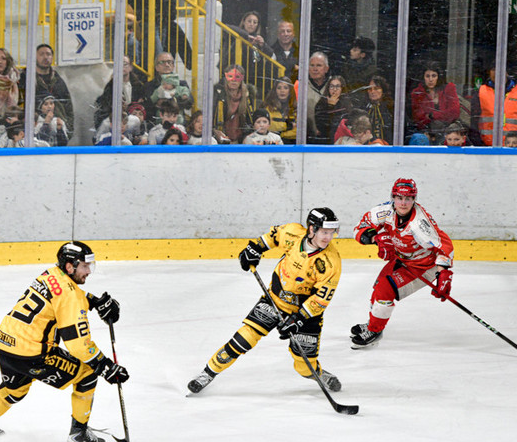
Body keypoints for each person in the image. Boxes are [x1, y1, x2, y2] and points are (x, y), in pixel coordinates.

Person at [0, 241, 129, 442]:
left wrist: (94, 301)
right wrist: (105, 366)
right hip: (33, 354)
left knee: (14, 389)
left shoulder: (51, 273)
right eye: (84, 266)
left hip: (5, 344)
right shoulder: (70, 296)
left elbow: (64, 295)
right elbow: (78, 345)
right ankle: (79, 434)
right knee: (88, 373)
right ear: (70, 266)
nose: (89, 271)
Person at [187, 208, 343, 394]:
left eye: (331, 233)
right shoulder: (292, 233)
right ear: (312, 229)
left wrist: (299, 319)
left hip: (305, 314)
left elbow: (321, 299)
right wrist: (254, 249)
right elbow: (272, 236)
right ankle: (208, 373)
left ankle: (318, 373)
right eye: (324, 232)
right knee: (244, 338)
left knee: (304, 366)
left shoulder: (331, 262)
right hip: (275, 300)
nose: (328, 238)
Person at [350, 178, 454, 349]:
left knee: (385, 289)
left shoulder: (421, 223)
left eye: (408, 198)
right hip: (401, 259)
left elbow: (444, 246)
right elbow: (359, 227)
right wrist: (375, 238)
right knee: (378, 288)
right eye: (399, 198)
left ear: (414, 199)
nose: (403, 203)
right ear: (393, 197)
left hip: (422, 267)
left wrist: (443, 273)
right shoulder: (384, 211)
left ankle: (375, 331)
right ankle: (372, 324)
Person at [19, 43, 75, 138]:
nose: (45, 57)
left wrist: (67, 129)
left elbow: (68, 106)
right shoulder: (26, 78)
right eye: (41, 54)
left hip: (57, 131)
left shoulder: (57, 80)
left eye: (48, 54)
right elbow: (19, 105)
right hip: (32, 132)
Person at [92, 55, 149, 133]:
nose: (121, 67)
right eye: (118, 64)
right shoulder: (109, 86)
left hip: (132, 120)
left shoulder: (139, 86)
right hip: (115, 119)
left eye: (125, 64)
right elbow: (101, 105)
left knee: (135, 120)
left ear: (130, 67)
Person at [409, 60, 459, 145]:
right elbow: (418, 118)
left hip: (448, 131)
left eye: (434, 76)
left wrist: (432, 115)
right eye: (427, 76)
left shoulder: (449, 88)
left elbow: (454, 113)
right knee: (420, 139)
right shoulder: (417, 93)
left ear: (439, 77)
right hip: (426, 131)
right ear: (423, 78)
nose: (431, 79)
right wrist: (441, 115)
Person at [468, 63, 517, 146]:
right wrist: (478, 143)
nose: (496, 72)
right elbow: (474, 120)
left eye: (500, 68)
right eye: (493, 69)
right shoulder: (481, 92)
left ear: (507, 72)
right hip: (487, 146)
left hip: (513, 148)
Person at [212, 64, 258, 144]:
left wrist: (247, 137)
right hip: (220, 138)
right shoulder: (218, 94)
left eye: (237, 77)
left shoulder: (247, 95)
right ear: (226, 77)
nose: (234, 80)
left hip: (241, 139)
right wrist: (216, 132)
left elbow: (250, 121)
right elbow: (212, 117)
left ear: (242, 79)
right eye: (230, 76)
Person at [313, 75, 351, 144]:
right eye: (332, 86)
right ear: (328, 88)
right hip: (326, 140)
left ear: (342, 88)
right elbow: (321, 126)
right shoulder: (321, 103)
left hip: (343, 139)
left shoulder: (347, 104)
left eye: (337, 86)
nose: (334, 89)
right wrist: (330, 106)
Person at [302, 52, 330, 141]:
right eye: (312, 65)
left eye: (319, 65)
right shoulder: (301, 86)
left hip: (329, 138)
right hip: (306, 137)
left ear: (326, 69)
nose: (315, 69)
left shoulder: (334, 86)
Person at [359, 75, 393, 144]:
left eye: (376, 88)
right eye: (369, 89)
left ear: (383, 90)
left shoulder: (391, 108)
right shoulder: (363, 109)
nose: (372, 91)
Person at [261, 75, 296, 142]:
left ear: (290, 91)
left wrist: (281, 134)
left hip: (292, 144)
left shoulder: (296, 108)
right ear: (275, 90)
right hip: (272, 142)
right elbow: (267, 126)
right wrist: (288, 126)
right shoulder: (268, 107)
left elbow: (298, 130)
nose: (282, 91)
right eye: (279, 88)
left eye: (285, 88)